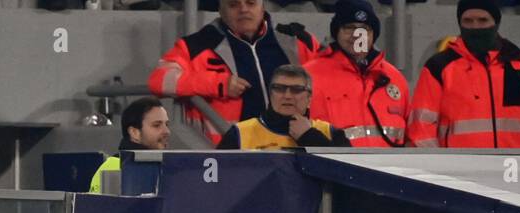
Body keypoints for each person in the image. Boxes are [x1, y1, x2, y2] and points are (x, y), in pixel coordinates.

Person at [149, 0, 321, 145]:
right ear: (220, 9)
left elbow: (332, 76)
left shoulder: (296, 41)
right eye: (233, 4)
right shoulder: (198, 44)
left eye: (250, 3)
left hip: (296, 150)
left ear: (263, 6)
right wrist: (218, 84)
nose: (243, 9)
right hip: (228, 154)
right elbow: (159, 80)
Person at [407, 0, 520, 149]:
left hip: (518, 169)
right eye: (468, 21)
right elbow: (421, 130)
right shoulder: (438, 68)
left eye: (483, 20)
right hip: (456, 170)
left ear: (496, 22)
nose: (475, 27)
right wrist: (437, 168)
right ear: (459, 23)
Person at [306, 0, 409, 148]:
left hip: (389, 169)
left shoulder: (395, 78)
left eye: (364, 29)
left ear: (374, 34)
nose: (357, 35)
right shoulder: (309, 75)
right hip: (333, 168)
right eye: (349, 27)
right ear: (337, 32)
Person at [218, 64, 352, 149]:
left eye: (296, 89)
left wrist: (309, 137)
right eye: (279, 89)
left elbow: (350, 179)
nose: (287, 96)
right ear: (270, 95)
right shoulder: (240, 134)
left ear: (309, 98)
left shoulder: (330, 133)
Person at [88, 97, 171, 194]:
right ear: (134, 132)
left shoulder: (164, 168)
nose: (167, 131)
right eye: (157, 125)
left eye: (167, 125)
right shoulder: (115, 168)